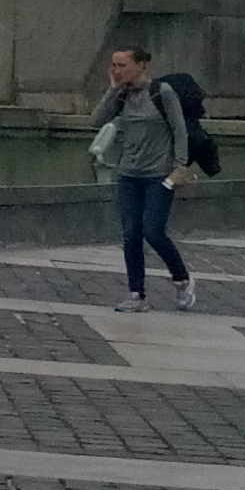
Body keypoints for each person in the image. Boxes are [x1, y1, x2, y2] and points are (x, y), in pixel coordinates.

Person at [92, 42, 196, 310]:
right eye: (114, 65)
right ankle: (136, 294)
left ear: (140, 65)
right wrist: (112, 89)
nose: (117, 70)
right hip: (128, 174)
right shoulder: (121, 95)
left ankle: (182, 279)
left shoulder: (162, 92)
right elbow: (96, 121)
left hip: (159, 175)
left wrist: (181, 166)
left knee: (154, 231)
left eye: (122, 65)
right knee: (131, 234)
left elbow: (179, 130)